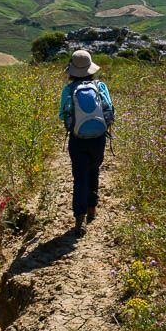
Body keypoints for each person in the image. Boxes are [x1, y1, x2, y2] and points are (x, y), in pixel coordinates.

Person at [59, 49, 114, 237]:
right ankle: (92, 208)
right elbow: (110, 110)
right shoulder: (101, 86)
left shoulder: (69, 90)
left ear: (72, 70)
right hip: (98, 138)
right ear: (91, 69)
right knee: (94, 169)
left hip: (77, 139)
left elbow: (62, 114)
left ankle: (79, 219)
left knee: (79, 176)